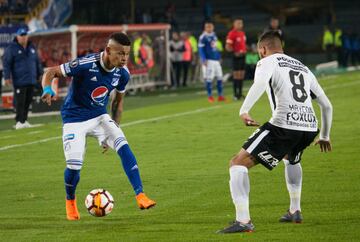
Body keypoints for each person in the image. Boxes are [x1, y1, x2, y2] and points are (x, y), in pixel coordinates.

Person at [218, 31, 333, 233]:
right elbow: (326, 105)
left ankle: (243, 221)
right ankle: (295, 210)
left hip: (284, 125)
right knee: (292, 159)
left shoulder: (267, 61)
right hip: (309, 128)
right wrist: (324, 135)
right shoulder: (303, 67)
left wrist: (244, 110)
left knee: (237, 163)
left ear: (262, 49)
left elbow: (260, 84)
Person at [40, 32, 156, 221]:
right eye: (120, 54)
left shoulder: (123, 74)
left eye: (127, 54)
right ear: (108, 50)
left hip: (99, 116)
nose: (124, 58)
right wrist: (47, 89)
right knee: (74, 166)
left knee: (122, 144)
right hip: (74, 119)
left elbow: (118, 104)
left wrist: (111, 132)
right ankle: (70, 201)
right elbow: (51, 72)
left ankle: (140, 195)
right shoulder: (85, 64)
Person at [3, 28, 43, 129]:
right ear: (17, 37)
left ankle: (24, 120)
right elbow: (7, 64)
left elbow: (37, 61)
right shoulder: (12, 48)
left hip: (31, 80)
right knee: (20, 102)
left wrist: (40, 73)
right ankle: (18, 122)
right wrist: (7, 77)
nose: (23, 37)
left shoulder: (32, 47)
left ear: (27, 36)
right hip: (19, 81)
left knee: (28, 101)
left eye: (25, 35)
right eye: (21, 35)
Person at [198, 21, 225, 103]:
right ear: (205, 28)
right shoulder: (203, 37)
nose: (210, 28)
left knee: (220, 77)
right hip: (209, 61)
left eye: (211, 27)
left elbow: (215, 48)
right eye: (208, 27)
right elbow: (201, 49)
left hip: (216, 60)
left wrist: (219, 57)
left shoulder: (214, 35)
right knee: (209, 78)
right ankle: (210, 96)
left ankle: (220, 95)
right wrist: (203, 59)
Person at [226, 18, 247, 100]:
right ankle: (235, 94)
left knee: (241, 75)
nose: (240, 25)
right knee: (236, 75)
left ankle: (240, 93)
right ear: (234, 24)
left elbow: (242, 45)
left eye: (241, 23)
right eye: (238, 23)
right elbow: (227, 46)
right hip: (236, 57)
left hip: (243, 56)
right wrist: (234, 52)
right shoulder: (232, 33)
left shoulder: (242, 33)